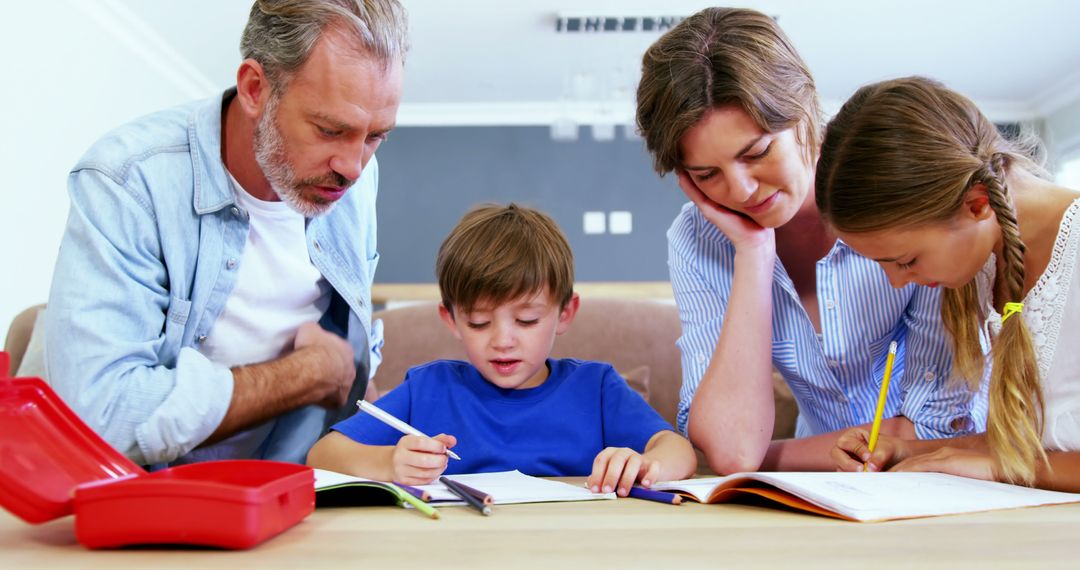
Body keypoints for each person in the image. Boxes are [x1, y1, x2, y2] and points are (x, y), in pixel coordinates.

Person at [42, 0, 407, 467]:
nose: (353, 168)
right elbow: (100, 418)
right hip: (146, 500)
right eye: (330, 130)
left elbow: (347, 349)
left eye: (377, 136)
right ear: (255, 89)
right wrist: (308, 374)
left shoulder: (351, 179)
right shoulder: (127, 180)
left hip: (297, 487)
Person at [634, 7, 986, 474]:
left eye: (757, 152)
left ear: (804, 112)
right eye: (707, 174)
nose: (739, 191)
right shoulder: (698, 239)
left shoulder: (894, 189)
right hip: (820, 486)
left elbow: (941, 427)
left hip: (946, 474)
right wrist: (754, 252)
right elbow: (732, 451)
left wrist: (775, 457)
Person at [307, 204, 697, 494]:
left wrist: (646, 466)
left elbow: (679, 450)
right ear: (451, 320)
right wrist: (388, 461)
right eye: (478, 322)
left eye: (526, 321)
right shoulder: (429, 388)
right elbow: (323, 455)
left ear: (565, 314)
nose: (503, 340)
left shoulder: (595, 388)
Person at [818, 76, 1080, 492]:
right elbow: (1036, 441)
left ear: (976, 204)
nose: (896, 282)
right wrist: (911, 451)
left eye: (905, 261)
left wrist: (998, 468)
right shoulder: (987, 262)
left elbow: (1017, 460)